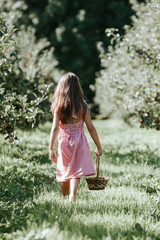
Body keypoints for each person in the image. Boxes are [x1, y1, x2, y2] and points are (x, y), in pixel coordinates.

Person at [49, 72, 102, 202]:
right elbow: (91, 128)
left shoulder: (59, 107)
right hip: (79, 141)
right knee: (76, 169)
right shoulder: (83, 107)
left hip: (64, 141)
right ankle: (73, 194)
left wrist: (51, 148)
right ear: (78, 89)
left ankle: (65, 196)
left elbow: (55, 128)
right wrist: (99, 146)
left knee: (64, 168)